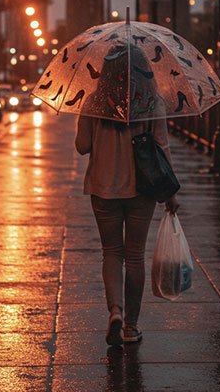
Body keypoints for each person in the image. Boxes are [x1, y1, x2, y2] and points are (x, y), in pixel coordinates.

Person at [75, 44, 179, 346]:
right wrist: (169, 193)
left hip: (103, 187)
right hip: (141, 189)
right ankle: (131, 327)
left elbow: (82, 146)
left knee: (111, 253)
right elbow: (162, 148)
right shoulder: (152, 101)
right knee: (134, 256)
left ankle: (115, 311)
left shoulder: (94, 101)